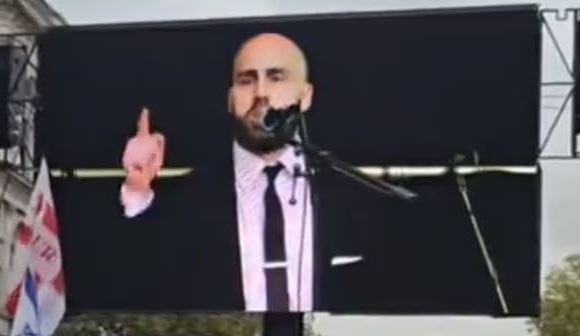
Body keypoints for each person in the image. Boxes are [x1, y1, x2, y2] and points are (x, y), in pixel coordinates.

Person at [115, 32, 394, 313]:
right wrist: (137, 188)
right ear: (230, 99)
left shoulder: (355, 196)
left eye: (276, 77)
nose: (261, 93)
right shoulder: (187, 201)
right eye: (247, 81)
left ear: (305, 96)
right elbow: (133, 284)